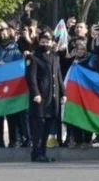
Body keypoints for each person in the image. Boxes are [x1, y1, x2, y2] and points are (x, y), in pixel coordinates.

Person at [27, 32, 66, 163]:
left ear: (52, 42)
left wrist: (63, 93)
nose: (45, 44)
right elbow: (31, 79)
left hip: (53, 97)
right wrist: (36, 93)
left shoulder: (55, 57)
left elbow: (58, 76)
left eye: (47, 42)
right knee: (39, 127)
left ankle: (42, 153)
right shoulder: (33, 57)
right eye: (43, 41)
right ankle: (36, 153)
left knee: (48, 127)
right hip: (40, 98)